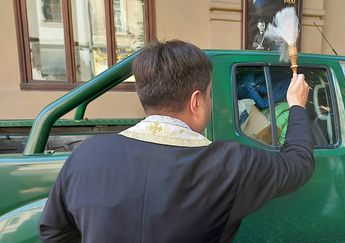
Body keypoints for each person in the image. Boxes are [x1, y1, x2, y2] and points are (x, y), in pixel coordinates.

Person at [39, 40, 314, 243]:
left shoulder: (85, 156)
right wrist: (296, 106)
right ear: (196, 101)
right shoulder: (231, 164)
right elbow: (298, 163)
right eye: (208, 94)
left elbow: (54, 232)